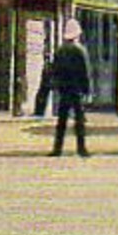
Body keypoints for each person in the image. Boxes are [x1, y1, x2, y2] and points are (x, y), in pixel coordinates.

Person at [47, 18, 91, 157]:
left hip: (64, 89)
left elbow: (54, 70)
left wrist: (56, 85)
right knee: (79, 120)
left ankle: (57, 148)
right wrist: (87, 90)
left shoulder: (60, 51)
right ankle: (81, 148)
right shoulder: (80, 51)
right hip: (76, 89)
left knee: (62, 120)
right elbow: (85, 72)